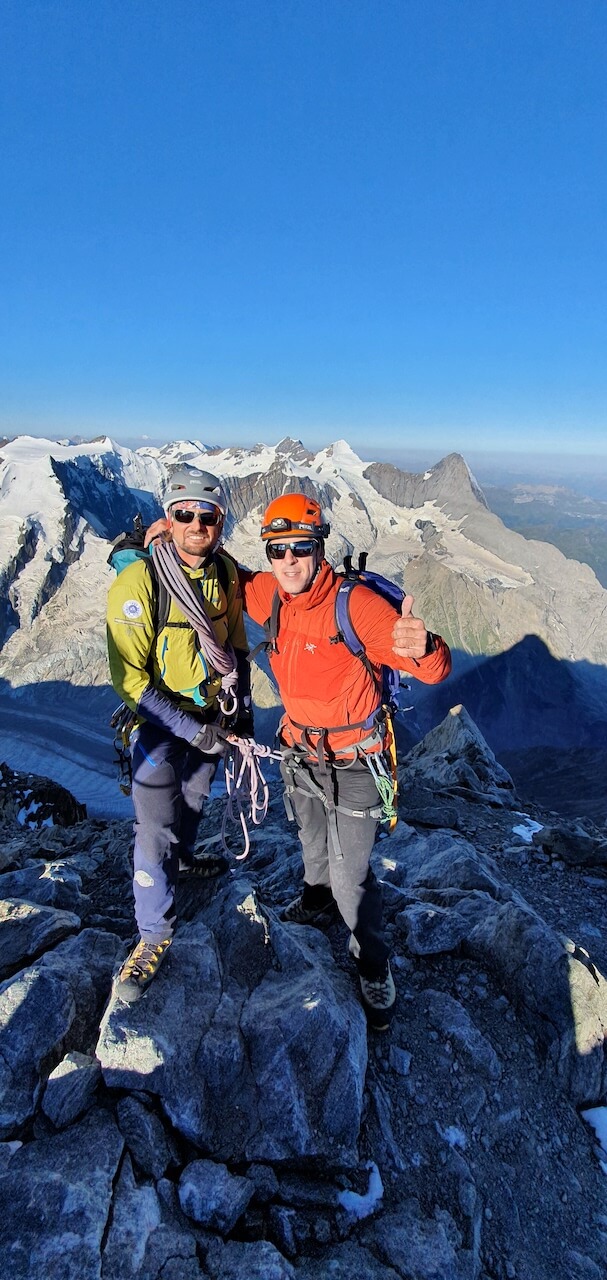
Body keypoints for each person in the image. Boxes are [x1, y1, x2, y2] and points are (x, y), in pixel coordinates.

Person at [240, 493, 451, 1030]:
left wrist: (423, 646)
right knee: (312, 847)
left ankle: (375, 965)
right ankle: (315, 902)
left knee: (351, 876)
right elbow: (221, 573)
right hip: (299, 755)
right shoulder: (268, 594)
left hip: (357, 764)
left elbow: (432, 670)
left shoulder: (354, 607)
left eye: (300, 548)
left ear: (319, 548)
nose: (288, 560)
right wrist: (158, 542)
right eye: (277, 550)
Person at [106, 468, 250, 1001]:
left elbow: (233, 649)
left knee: (194, 796)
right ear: (170, 517)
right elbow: (129, 679)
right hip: (160, 723)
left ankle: (183, 862)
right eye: (184, 513)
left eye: (206, 516)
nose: (195, 524)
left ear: (219, 522)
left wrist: (241, 718)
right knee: (153, 831)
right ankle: (152, 936)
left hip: (212, 715)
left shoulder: (226, 574)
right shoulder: (139, 582)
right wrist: (193, 727)